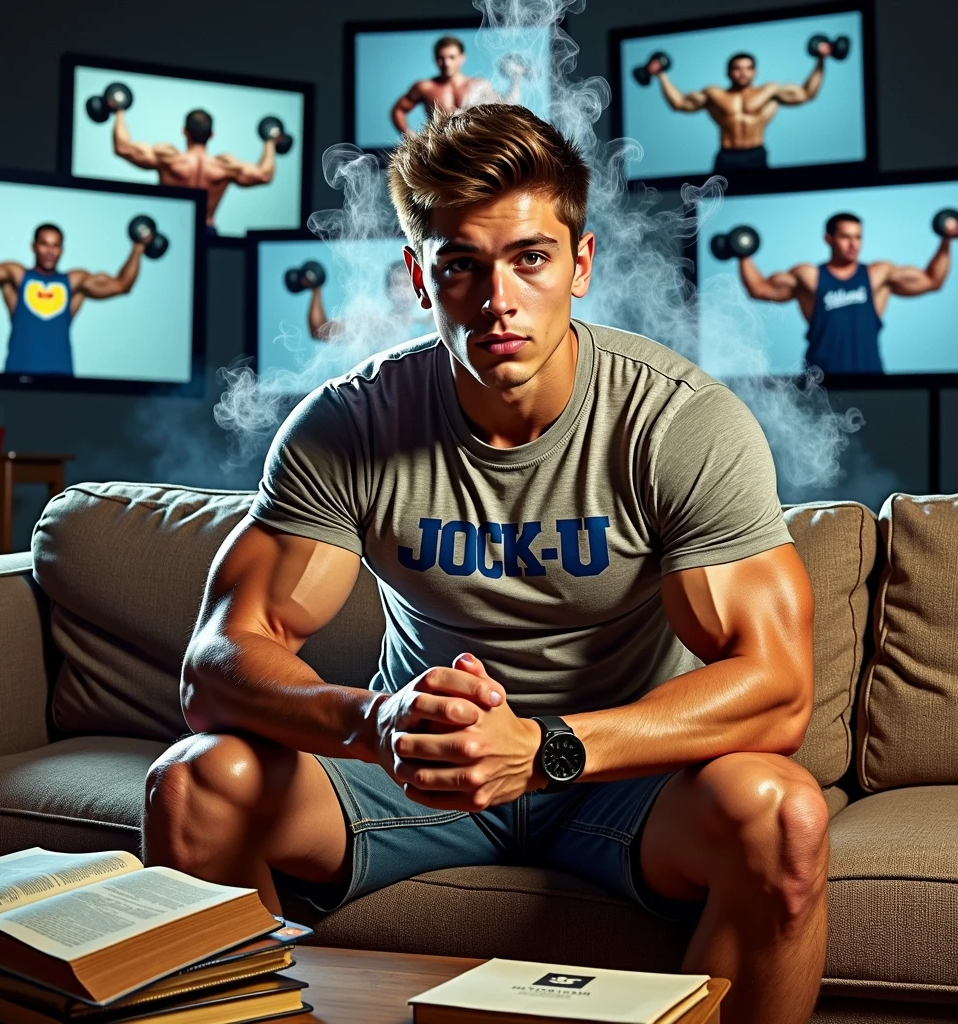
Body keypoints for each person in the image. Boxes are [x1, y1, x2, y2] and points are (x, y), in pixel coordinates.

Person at [144, 103, 827, 1024]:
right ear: (418, 278)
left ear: (579, 266)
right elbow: (217, 666)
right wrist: (376, 722)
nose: (498, 299)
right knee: (195, 782)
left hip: (615, 783)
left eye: (530, 259)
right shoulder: (352, 423)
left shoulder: (679, 423)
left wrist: (545, 750)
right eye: (461, 264)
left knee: (781, 813)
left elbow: (778, 691)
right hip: (417, 776)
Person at [739, 211, 956, 374]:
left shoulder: (877, 275)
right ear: (829, 239)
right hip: (819, 383)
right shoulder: (809, 276)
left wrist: (946, 241)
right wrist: (742, 253)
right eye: (845, 237)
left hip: (871, 380)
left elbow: (932, 280)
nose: (854, 244)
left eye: (858, 237)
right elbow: (759, 289)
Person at [0, 218, 146, 375]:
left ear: (62, 249)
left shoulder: (75, 282)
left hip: (61, 380)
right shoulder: (15, 277)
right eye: (44, 244)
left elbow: (122, 285)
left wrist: (138, 248)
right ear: (33, 246)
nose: (50, 251)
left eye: (55, 246)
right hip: (17, 376)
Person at [654, 50, 827, 176]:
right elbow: (679, 103)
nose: (742, 73)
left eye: (748, 68)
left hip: (756, 155)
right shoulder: (715, 94)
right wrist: (660, 74)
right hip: (726, 156)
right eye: (737, 68)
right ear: (728, 72)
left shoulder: (769, 91)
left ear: (754, 71)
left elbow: (806, 94)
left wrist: (821, 59)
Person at [113, 108, 274, 236]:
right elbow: (264, 174)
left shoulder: (169, 161)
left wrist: (120, 109)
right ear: (212, 135)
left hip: (174, 230)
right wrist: (270, 141)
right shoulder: (225, 168)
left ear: (184, 131)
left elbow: (122, 147)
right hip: (206, 231)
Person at [391, 36, 524, 137]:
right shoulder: (425, 87)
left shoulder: (479, 85)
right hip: (440, 151)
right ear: (435, 59)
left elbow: (507, 106)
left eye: (452, 57)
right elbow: (399, 110)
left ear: (462, 58)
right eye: (441, 58)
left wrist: (515, 80)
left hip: (472, 147)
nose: (446, 63)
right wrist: (410, 137)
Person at [306, 259, 435, 341]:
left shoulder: (435, 322)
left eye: (407, 283)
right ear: (388, 290)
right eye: (396, 283)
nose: (401, 289)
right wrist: (316, 290)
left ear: (419, 288)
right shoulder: (376, 323)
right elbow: (319, 330)